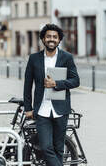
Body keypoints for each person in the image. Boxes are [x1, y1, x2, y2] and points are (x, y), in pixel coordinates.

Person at [23, 23, 80, 166]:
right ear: (43, 38)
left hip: (61, 109)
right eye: (48, 36)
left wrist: (56, 84)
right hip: (41, 110)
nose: (51, 39)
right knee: (46, 147)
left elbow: (75, 81)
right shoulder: (34, 58)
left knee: (59, 149)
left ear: (59, 40)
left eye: (55, 37)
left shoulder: (66, 57)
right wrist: (28, 108)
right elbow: (27, 85)